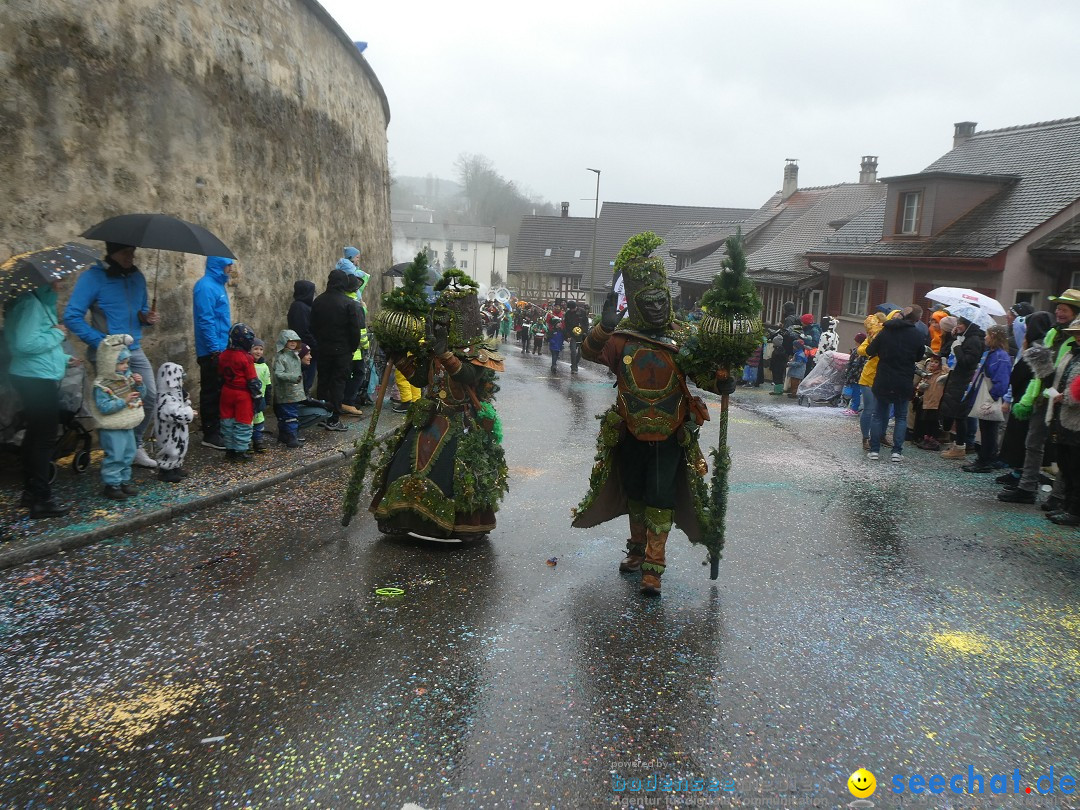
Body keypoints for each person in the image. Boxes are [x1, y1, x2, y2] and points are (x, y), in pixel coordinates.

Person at [572, 232, 732, 597]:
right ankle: (637, 551)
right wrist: (604, 327)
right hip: (629, 430)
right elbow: (588, 353)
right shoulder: (621, 338)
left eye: (662, 300)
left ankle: (653, 569)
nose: (658, 307)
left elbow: (703, 375)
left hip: (670, 433)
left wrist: (722, 379)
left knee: (660, 496)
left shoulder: (683, 338)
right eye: (649, 302)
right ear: (638, 304)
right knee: (637, 493)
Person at [369, 270, 508, 540]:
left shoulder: (477, 352)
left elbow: (468, 376)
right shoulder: (433, 349)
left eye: (447, 320)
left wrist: (446, 354)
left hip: (460, 424)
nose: (441, 325)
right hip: (428, 419)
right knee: (404, 466)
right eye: (439, 320)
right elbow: (420, 378)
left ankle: (456, 527)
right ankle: (405, 520)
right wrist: (398, 356)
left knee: (453, 476)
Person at [63, 242, 159, 468]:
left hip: (134, 348)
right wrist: (102, 342)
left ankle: (134, 447)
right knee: (114, 403)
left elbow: (141, 311)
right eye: (126, 252)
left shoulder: (138, 277)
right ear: (112, 252)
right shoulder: (93, 277)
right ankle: (115, 458)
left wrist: (146, 318)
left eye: (133, 251)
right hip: (107, 354)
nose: (131, 256)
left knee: (149, 395)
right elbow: (72, 316)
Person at [1000, 292, 1080, 508]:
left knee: (1065, 449)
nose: (1059, 313)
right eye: (1058, 308)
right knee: (1033, 443)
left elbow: (1069, 373)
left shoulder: (1075, 339)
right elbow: (1041, 374)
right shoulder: (1053, 333)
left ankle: (1060, 496)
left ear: (1075, 313)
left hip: (1064, 401)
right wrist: (1030, 396)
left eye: (1064, 309)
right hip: (1043, 396)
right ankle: (1027, 487)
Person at [4, 280, 73, 517]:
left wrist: (64, 359)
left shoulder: (34, 302)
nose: (61, 282)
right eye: (58, 277)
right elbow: (26, 343)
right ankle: (41, 499)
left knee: (35, 435)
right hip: (36, 378)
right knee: (44, 438)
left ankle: (31, 493)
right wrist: (57, 333)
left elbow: (34, 341)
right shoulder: (32, 304)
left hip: (32, 374)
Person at [997, 311, 1052, 489]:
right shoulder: (1033, 345)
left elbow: (1031, 374)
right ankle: (1018, 472)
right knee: (1019, 439)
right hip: (1022, 396)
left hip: (1027, 399)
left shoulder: (1037, 347)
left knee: (1024, 440)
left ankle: (1023, 477)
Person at [865, 305, 927, 461]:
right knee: (900, 417)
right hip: (904, 379)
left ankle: (874, 450)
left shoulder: (886, 330)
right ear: (917, 319)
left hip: (883, 377)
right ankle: (896, 452)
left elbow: (870, 350)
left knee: (878, 415)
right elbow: (919, 357)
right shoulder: (917, 335)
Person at [90, 334, 146, 499]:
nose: (125, 366)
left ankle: (123, 481)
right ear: (109, 363)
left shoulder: (126, 378)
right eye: (121, 363)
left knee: (128, 452)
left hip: (127, 423)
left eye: (126, 363)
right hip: (111, 426)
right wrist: (123, 401)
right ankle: (112, 484)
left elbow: (140, 395)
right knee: (116, 454)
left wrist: (139, 384)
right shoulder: (101, 385)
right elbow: (103, 407)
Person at [191, 255, 236, 450]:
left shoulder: (218, 285)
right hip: (212, 350)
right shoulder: (205, 286)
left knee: (220, 391)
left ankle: (218, 429)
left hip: (220, 347)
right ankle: (210, 433)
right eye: (228, 265)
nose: (231, 269)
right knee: (211, 391)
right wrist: (214, 349)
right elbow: (206, 320)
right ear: (219, 265)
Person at [310, 267, 361, 431]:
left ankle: (321, 414)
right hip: (342, 350)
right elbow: (355, 330)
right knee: (338, 383)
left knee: (323, 380)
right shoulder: (348, 303)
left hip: (323, 348)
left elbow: (313, 326)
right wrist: (352, 348)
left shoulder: (318, 301)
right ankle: (334, 418)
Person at [960, 324, 1012, 473]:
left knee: (989, 429)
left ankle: (986, 460)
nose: (985, 338)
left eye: (988, 335)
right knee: (986, 428)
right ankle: (986, 457)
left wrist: (992, 397)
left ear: (995, 337)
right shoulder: (993, 353)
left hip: (990, 396)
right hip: (987, 395)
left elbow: (1002, 380)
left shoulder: (999, 356)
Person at [939, 316, 986, 459]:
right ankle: (958, 445)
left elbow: (967, 362)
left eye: (960, 324)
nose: (957, 325)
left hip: (964, 381)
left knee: (960, 416)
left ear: (967, 325)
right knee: (957, 414)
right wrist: (957, 337)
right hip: (959, 379)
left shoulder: (974, 341)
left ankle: (960, 448)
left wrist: (957, 347)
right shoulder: (968, 337)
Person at [218, 323, 260, 462]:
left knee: (227, 421)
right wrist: (258, 397)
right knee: (243, 422)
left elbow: (219, 374)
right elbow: (252, 380)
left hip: (227, 391)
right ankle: (240, 451)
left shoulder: (223, 355)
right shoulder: (246, 358)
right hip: (242, 394)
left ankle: (229, 450)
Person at [153, 361, 196, 482]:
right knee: (170, 449)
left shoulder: (174, 395)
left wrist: (186, 403)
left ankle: (176, 466)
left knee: (179, 447)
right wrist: (189, 412)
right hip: (169, 432)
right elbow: (174, 413)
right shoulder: (165, 398)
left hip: (178, 430)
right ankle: (166, 471)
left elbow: (179, 407)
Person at [340, 260, 370, 417]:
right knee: (358, 374)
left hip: (346, 347)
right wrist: (365, 345)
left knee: (345, 375)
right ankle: (347, 402)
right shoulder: (355, 304)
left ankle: (343, 401)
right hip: (356, 349)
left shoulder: (343, 299)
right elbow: (361, 329)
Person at [273, 329, 305, 448]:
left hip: (293, 392)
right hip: (285, 392)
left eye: (295, 341)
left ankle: (284, 435)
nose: (293, 343)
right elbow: (278, 373)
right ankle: (291, 437)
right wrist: (292, 377)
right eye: (289, 341)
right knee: (290, 415)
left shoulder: (294, 356)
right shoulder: (281, 358)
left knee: (287, 415)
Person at [911, 354, 948, 450]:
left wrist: (943, 364)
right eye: (931, 361)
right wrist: (921, 387)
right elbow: (921, 387)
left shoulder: (942, 373)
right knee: (926, 421)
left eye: (936, 362)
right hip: (927, 401)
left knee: (934, 422)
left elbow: (946, 372)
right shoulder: (928, 373)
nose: (932, 364)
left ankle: (933, 440)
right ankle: (927, 438)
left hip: (936, 402)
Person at [287, 280, 317, 393]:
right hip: (303, 350)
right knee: (305, 379)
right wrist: (314, 345)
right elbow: (303, 331)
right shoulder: (299, 307)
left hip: (305, 349)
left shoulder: (303, 307)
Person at [250, 338, 272, 452]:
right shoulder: (248, 365)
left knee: (259, 420)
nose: (258, 352)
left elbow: (268, 383)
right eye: (255, 349)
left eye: (261, 349)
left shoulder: (264, 366)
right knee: (248, 421)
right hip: (249, 399)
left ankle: (258, 441)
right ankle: (248, 442)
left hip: (260, 398)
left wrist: (268, 398)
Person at [563, 300, 589, 373]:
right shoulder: (568, 314)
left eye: (572, 309)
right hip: (572, 335)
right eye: (570, 309)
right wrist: (568, 336)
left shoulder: (582, 312)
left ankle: (575, 364)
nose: (571, 310)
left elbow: (586, 323)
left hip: (581, 335)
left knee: (580, 353)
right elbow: (566, 326)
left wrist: (584, 332)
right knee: (573, 351)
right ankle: (574, 368)